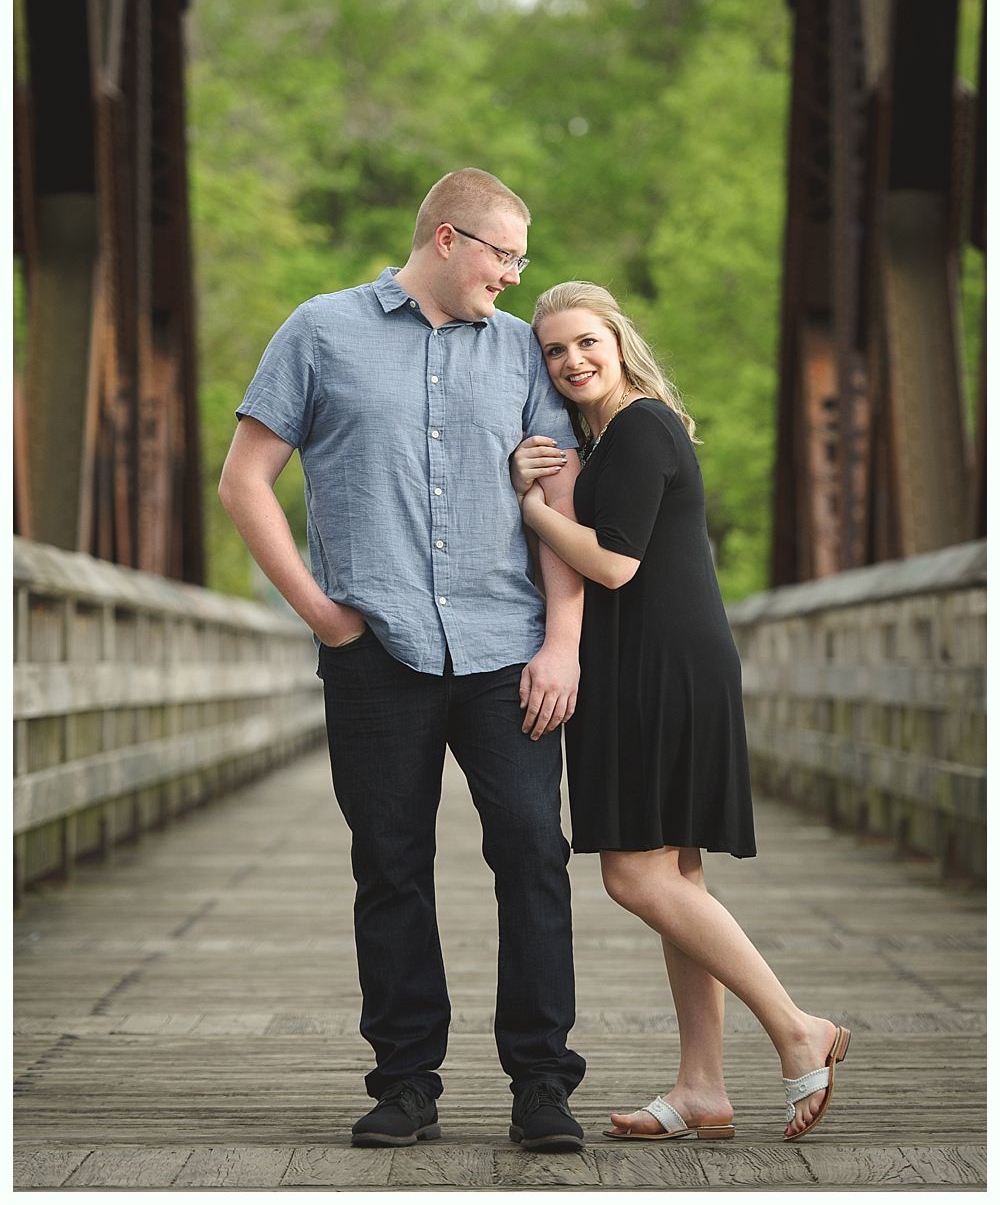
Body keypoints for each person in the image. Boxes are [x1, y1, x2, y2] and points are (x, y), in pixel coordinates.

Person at [218, 170, 588, 1152]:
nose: (515, 275)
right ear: (446, 238)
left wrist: (562, 641)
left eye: (519, 257)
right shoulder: (321, 330)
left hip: (506, 650)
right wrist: (322, 615)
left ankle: (542, 1082)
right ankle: (405, 1081)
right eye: (504, 253)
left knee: (532, 851)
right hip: (375, 650)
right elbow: (244, 480)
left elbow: (559, 512)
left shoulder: (521, 356)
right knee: (388, 864)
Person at [510, 280, 850, 1144]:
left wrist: (529, 509)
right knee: (678, 879)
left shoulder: (639, 425)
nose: (573, 360)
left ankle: (793, 1025)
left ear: (618, 340)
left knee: (636, 875)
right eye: (554, 350)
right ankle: (702, 1085)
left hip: (655, 669)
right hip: (659, 662)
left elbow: (615, 565)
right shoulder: (620, 434)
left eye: (587, 341)